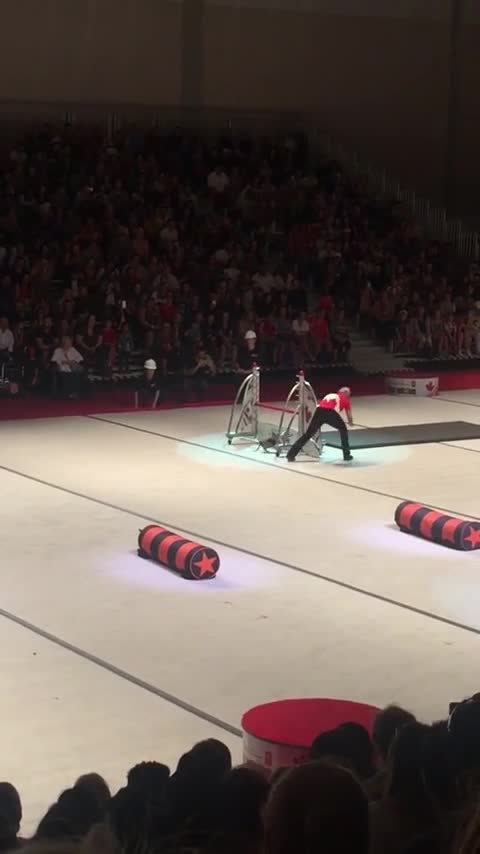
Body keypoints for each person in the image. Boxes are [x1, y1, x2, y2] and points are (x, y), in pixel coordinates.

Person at [287, 386, 354, 462]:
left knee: (308, 434)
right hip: (330, 412)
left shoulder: (330, 395)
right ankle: (346, 454)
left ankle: (291, 455)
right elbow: (349, 415)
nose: (349, 395)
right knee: (343, 430)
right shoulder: (346, 400)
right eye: (349, 393)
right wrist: (350, 422)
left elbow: (324, 405)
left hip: (319, 411)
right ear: (345, 393)